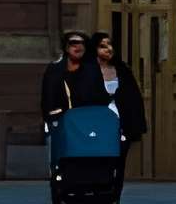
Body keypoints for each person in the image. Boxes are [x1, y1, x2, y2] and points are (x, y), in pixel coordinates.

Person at [87, 29, 149, 179]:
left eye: (110, 45)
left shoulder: (122, 71)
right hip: (96, 125)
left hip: (121, 126)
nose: (109, 49)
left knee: (119, 162)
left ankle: (115, 197)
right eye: (103, 45)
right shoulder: (86, 72)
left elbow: (133, 99)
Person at [37, 30, 90, 133]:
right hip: (62, 124)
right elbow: (48, 101)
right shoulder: (54, 70)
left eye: (82, 43)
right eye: (73, 43)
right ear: (66, 47)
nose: (78, 46)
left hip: (87, 124)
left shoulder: (91, 70)